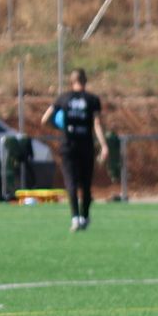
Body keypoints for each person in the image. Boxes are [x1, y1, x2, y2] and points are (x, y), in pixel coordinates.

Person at [42, 68, 108, 232]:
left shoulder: (63, 98)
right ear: (85, 81)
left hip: (68, 146)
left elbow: (45, 119)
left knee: (70, 182)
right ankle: (84, 217)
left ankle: (75, 218)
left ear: (71, 82)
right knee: (86, 184)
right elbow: (97, 124)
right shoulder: (92, 100)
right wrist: (104, 145)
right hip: (86, 146)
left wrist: (60, 127)